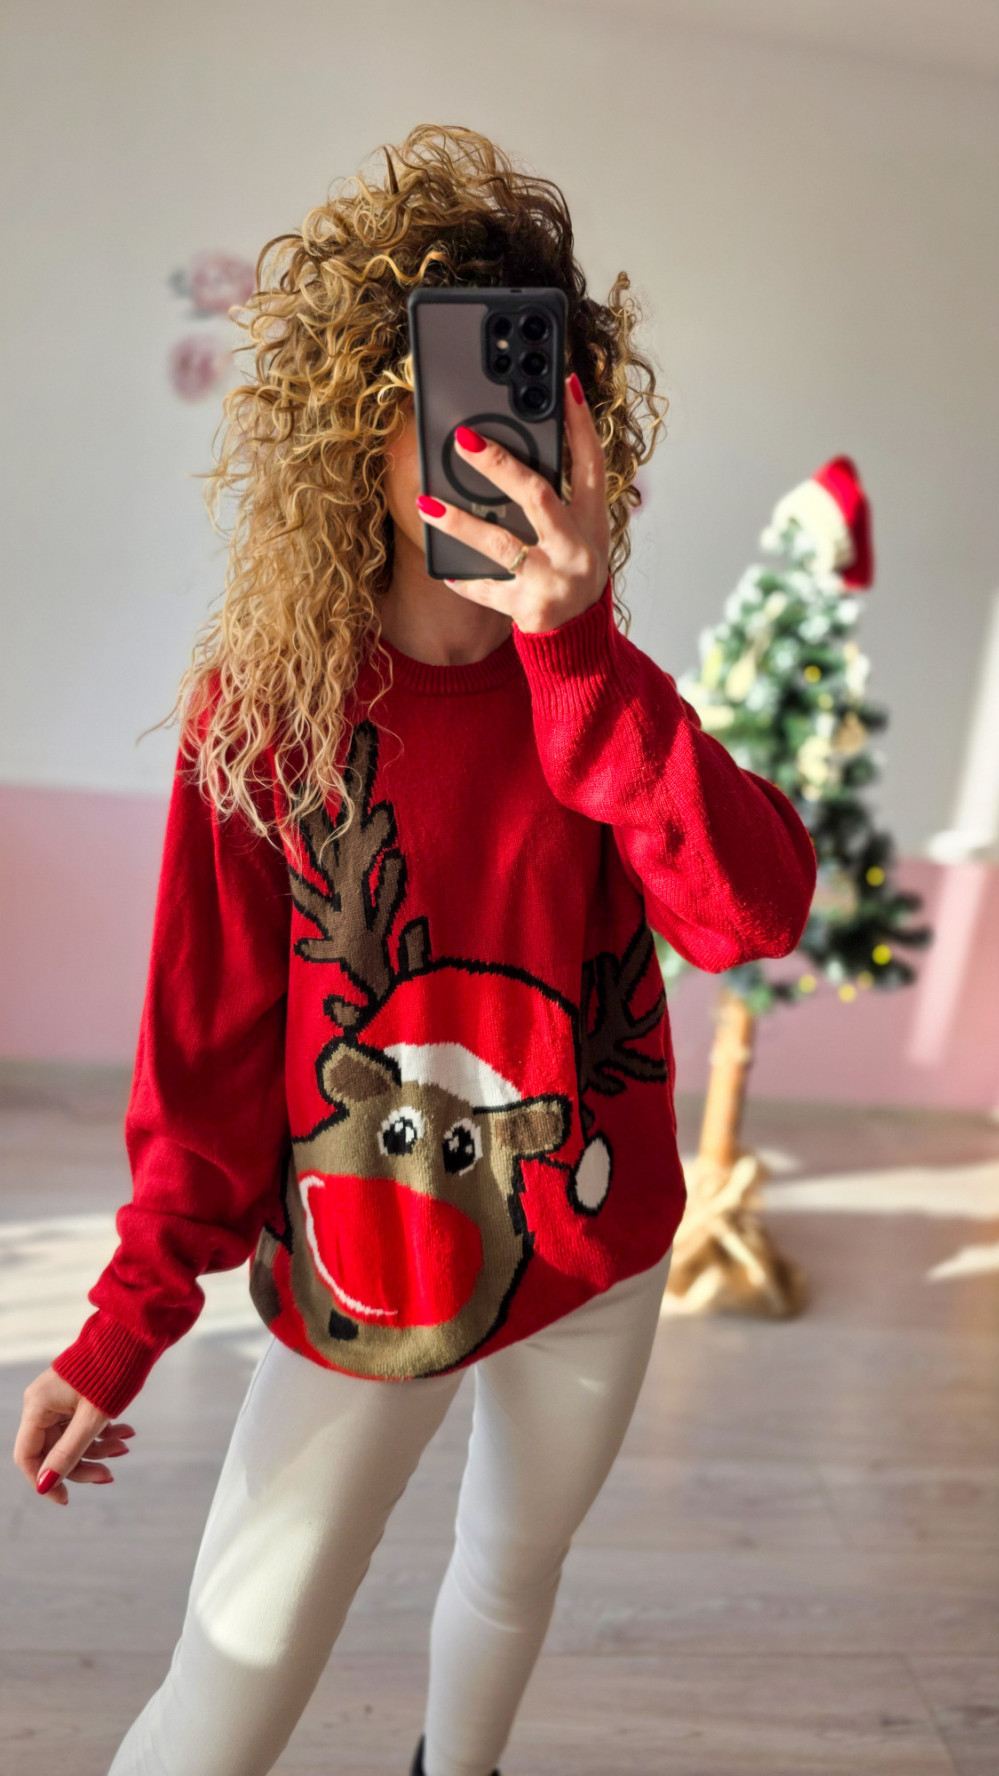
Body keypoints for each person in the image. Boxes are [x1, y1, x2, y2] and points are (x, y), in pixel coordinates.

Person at [12, 124, 817, 1776]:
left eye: (529, 398)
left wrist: (576, 654)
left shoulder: (598, 688)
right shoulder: (269, 716)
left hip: (591, 1253)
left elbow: (753, 914)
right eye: (447, 396)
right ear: (360, 423)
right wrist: (125, 1322)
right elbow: (206, 1061)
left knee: (511, 1574)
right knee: (229, 1681)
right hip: (363, 1259)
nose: (486, 444)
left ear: (582, 427)